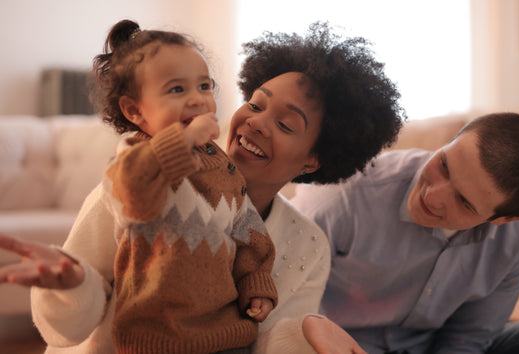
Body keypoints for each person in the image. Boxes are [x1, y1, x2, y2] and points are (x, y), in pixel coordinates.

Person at [0, 21, 405, 353]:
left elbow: (269, 343)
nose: (257, 122)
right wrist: (72, 285)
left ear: (313, 159)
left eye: (285, 124)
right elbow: (65, 333)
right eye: (256, 103)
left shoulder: (308, 245)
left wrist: (310, 332)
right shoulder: (139, 181)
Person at [292, 112, 519, 353]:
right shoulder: (343, 196)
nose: (433, 196)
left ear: (505, 218)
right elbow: (274, 307)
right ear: (450, 141)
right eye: (444, 165)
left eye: (464, 202)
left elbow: (469, 338)